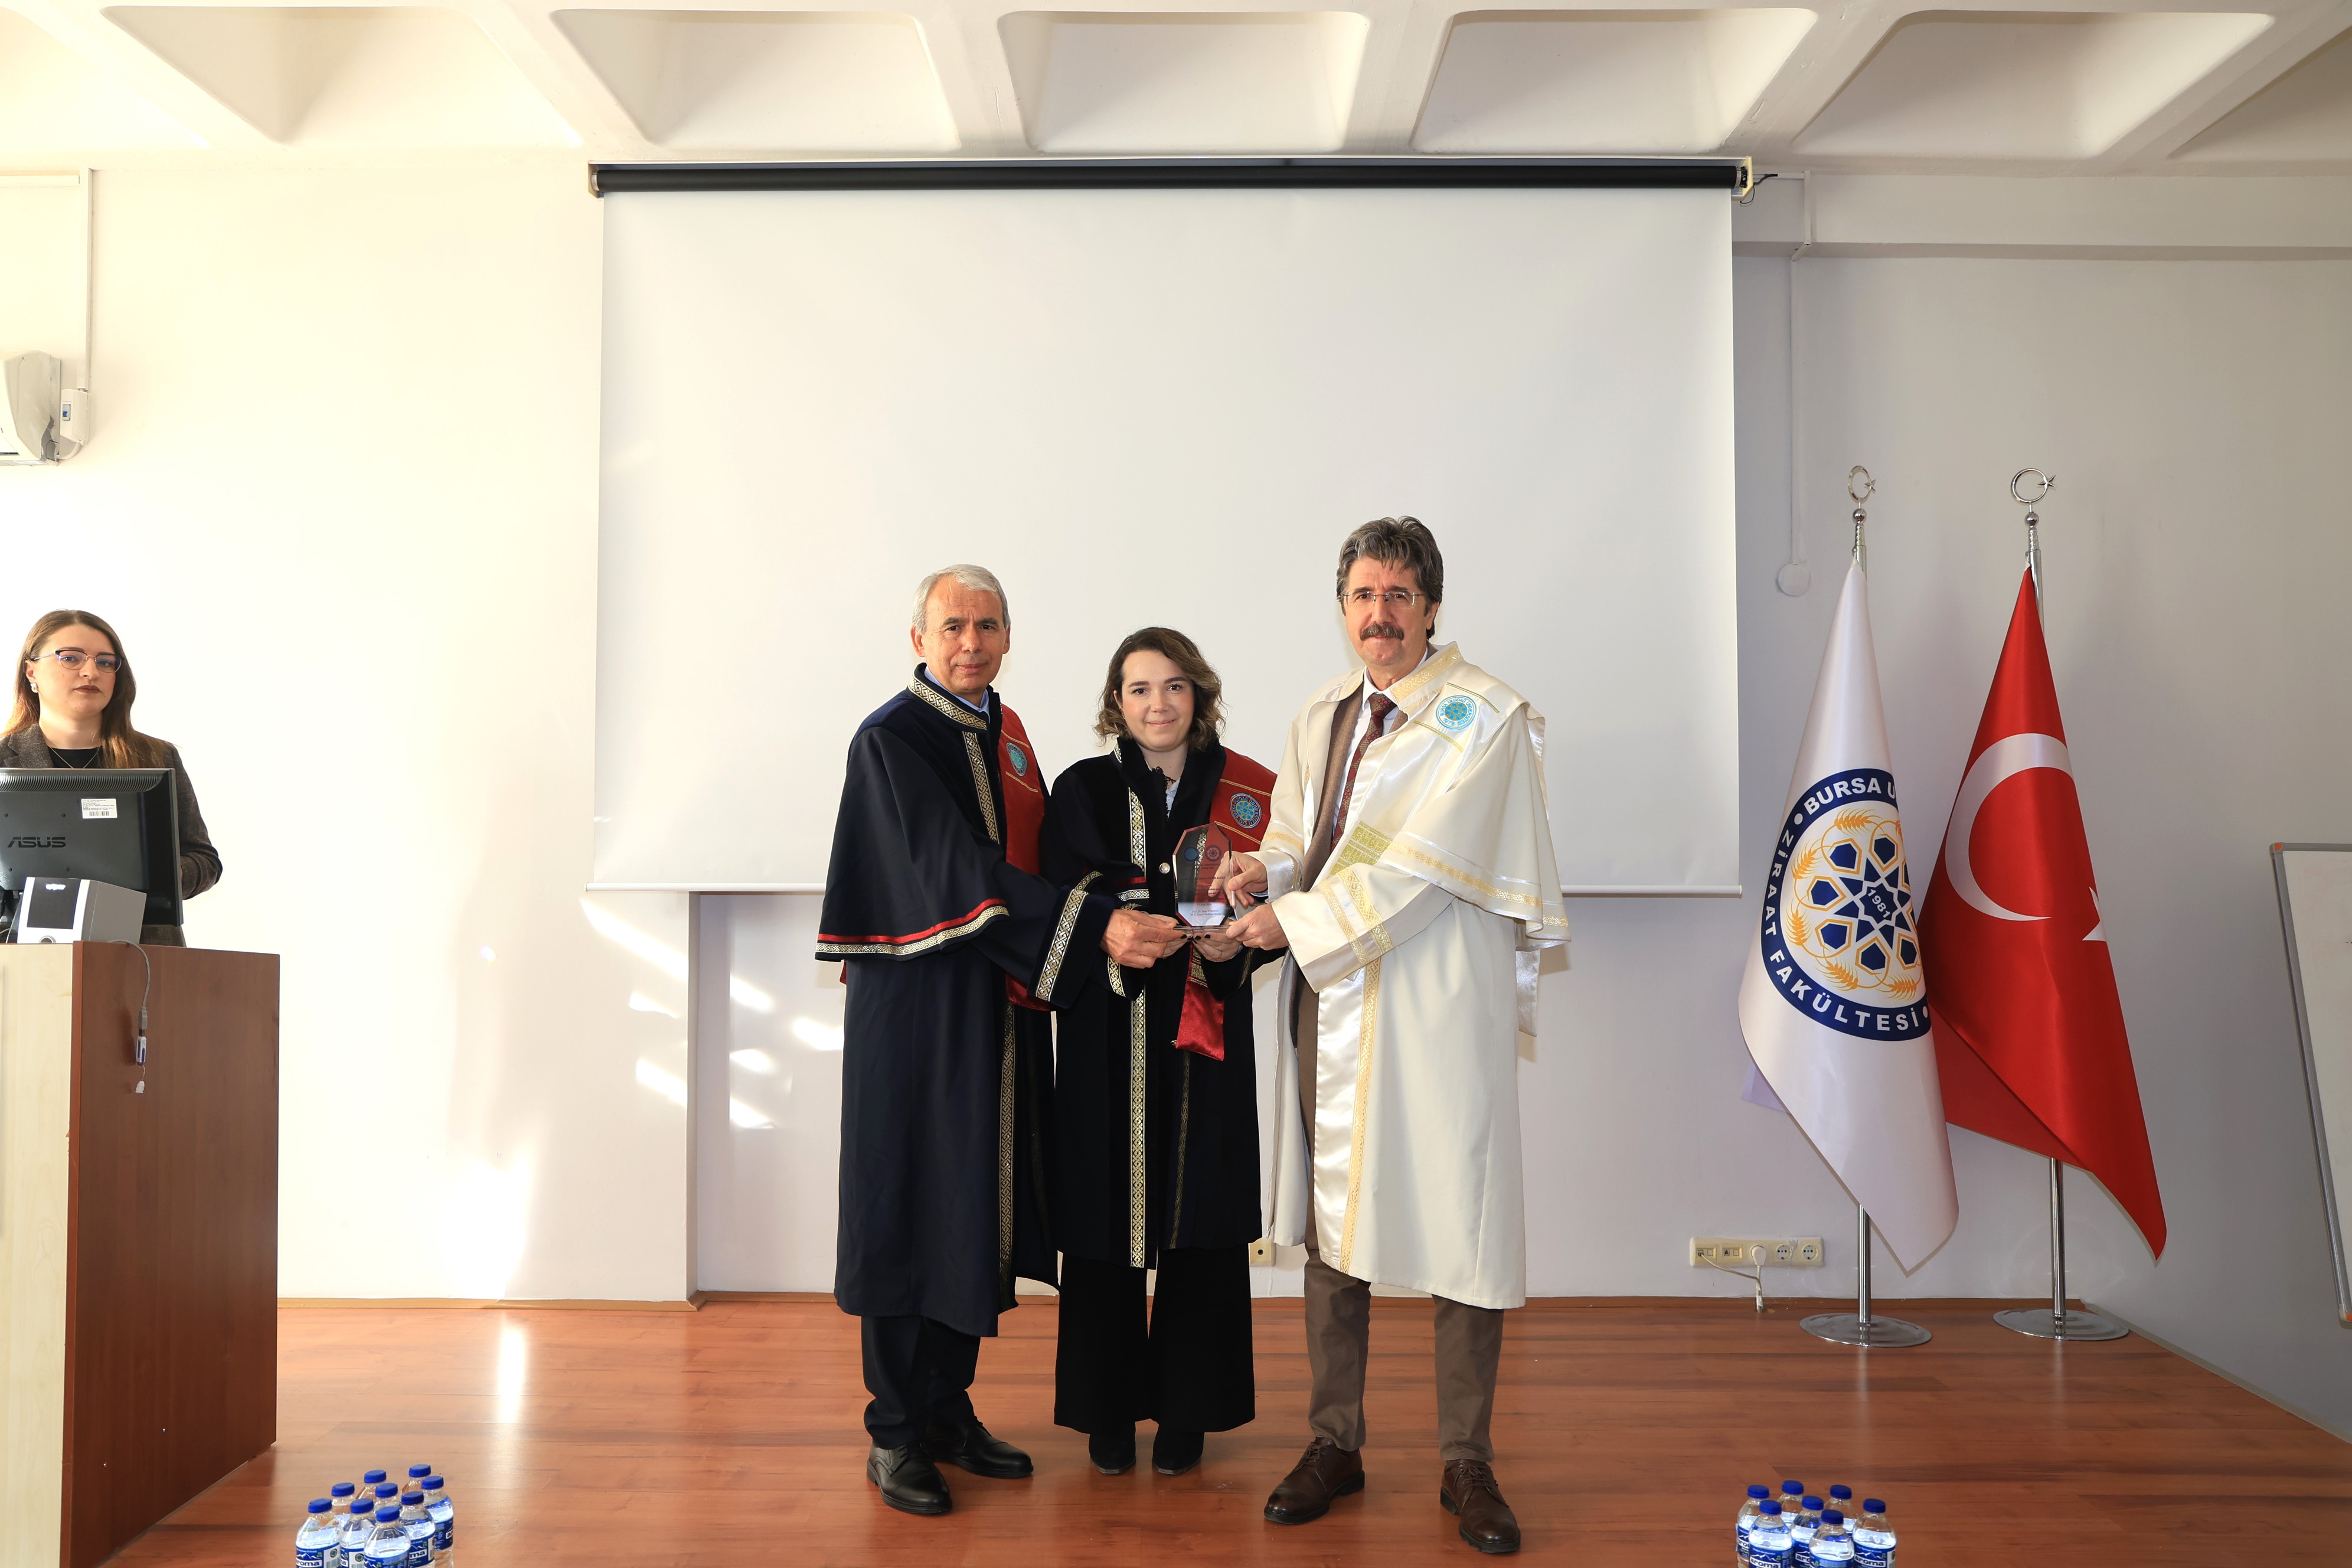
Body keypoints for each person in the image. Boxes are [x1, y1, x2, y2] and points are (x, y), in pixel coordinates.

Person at [1217, 518, 1570, 1556]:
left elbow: (1421, 870)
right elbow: (1303, 839)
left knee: (1463, 1217)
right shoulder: (1321, 713)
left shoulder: (1485, 719)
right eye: (1363, 596)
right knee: (1332, 1221)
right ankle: (1336, 1441)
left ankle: (1467, 1461)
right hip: (1331, 997)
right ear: (1343, 609)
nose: (1380, 615)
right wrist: (1266, 871)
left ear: (1431, 608)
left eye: (1399, 595)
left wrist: (1290, 920)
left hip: (1434, 998)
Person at [816, 566, 1187, 1518]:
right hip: (918, 1013)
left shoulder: (1004, 734)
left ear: (1007, 637)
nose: (970, 643)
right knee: (911, 1205)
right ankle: (895, 1432)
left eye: (986, 626)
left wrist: (1128, 894)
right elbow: (958, 868)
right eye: (952, 626)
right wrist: (1096, 924)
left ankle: (946, 1408)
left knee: (974, 1203)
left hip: (995, 1001)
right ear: (919, 639)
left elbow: (1039, 856)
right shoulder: (891, 739)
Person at [1040, 627, 1275, 1480]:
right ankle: (1107, 1408)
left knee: (1199, 1210)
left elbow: (1278, 898)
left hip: (1205, 1031)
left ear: (1199, 694)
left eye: (1175, 685)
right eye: (1139, 688)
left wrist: (1239, 939)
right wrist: (1118, 918)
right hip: (1108, 1034)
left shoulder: (1248, 793)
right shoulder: (1082, 789)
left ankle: (1190, 1409)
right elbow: (1060, 894)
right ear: (1118, 703)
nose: (1159, 703)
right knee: (1103, 1211)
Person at [3, 609, 221, 945]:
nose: (91, 672)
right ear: (31, 672)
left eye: (105, 662)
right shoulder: (4, 761)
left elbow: (204, 861)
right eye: (71, 658)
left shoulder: (156, 757)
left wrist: (162, 875)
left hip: (142, 954)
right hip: (24, 956)